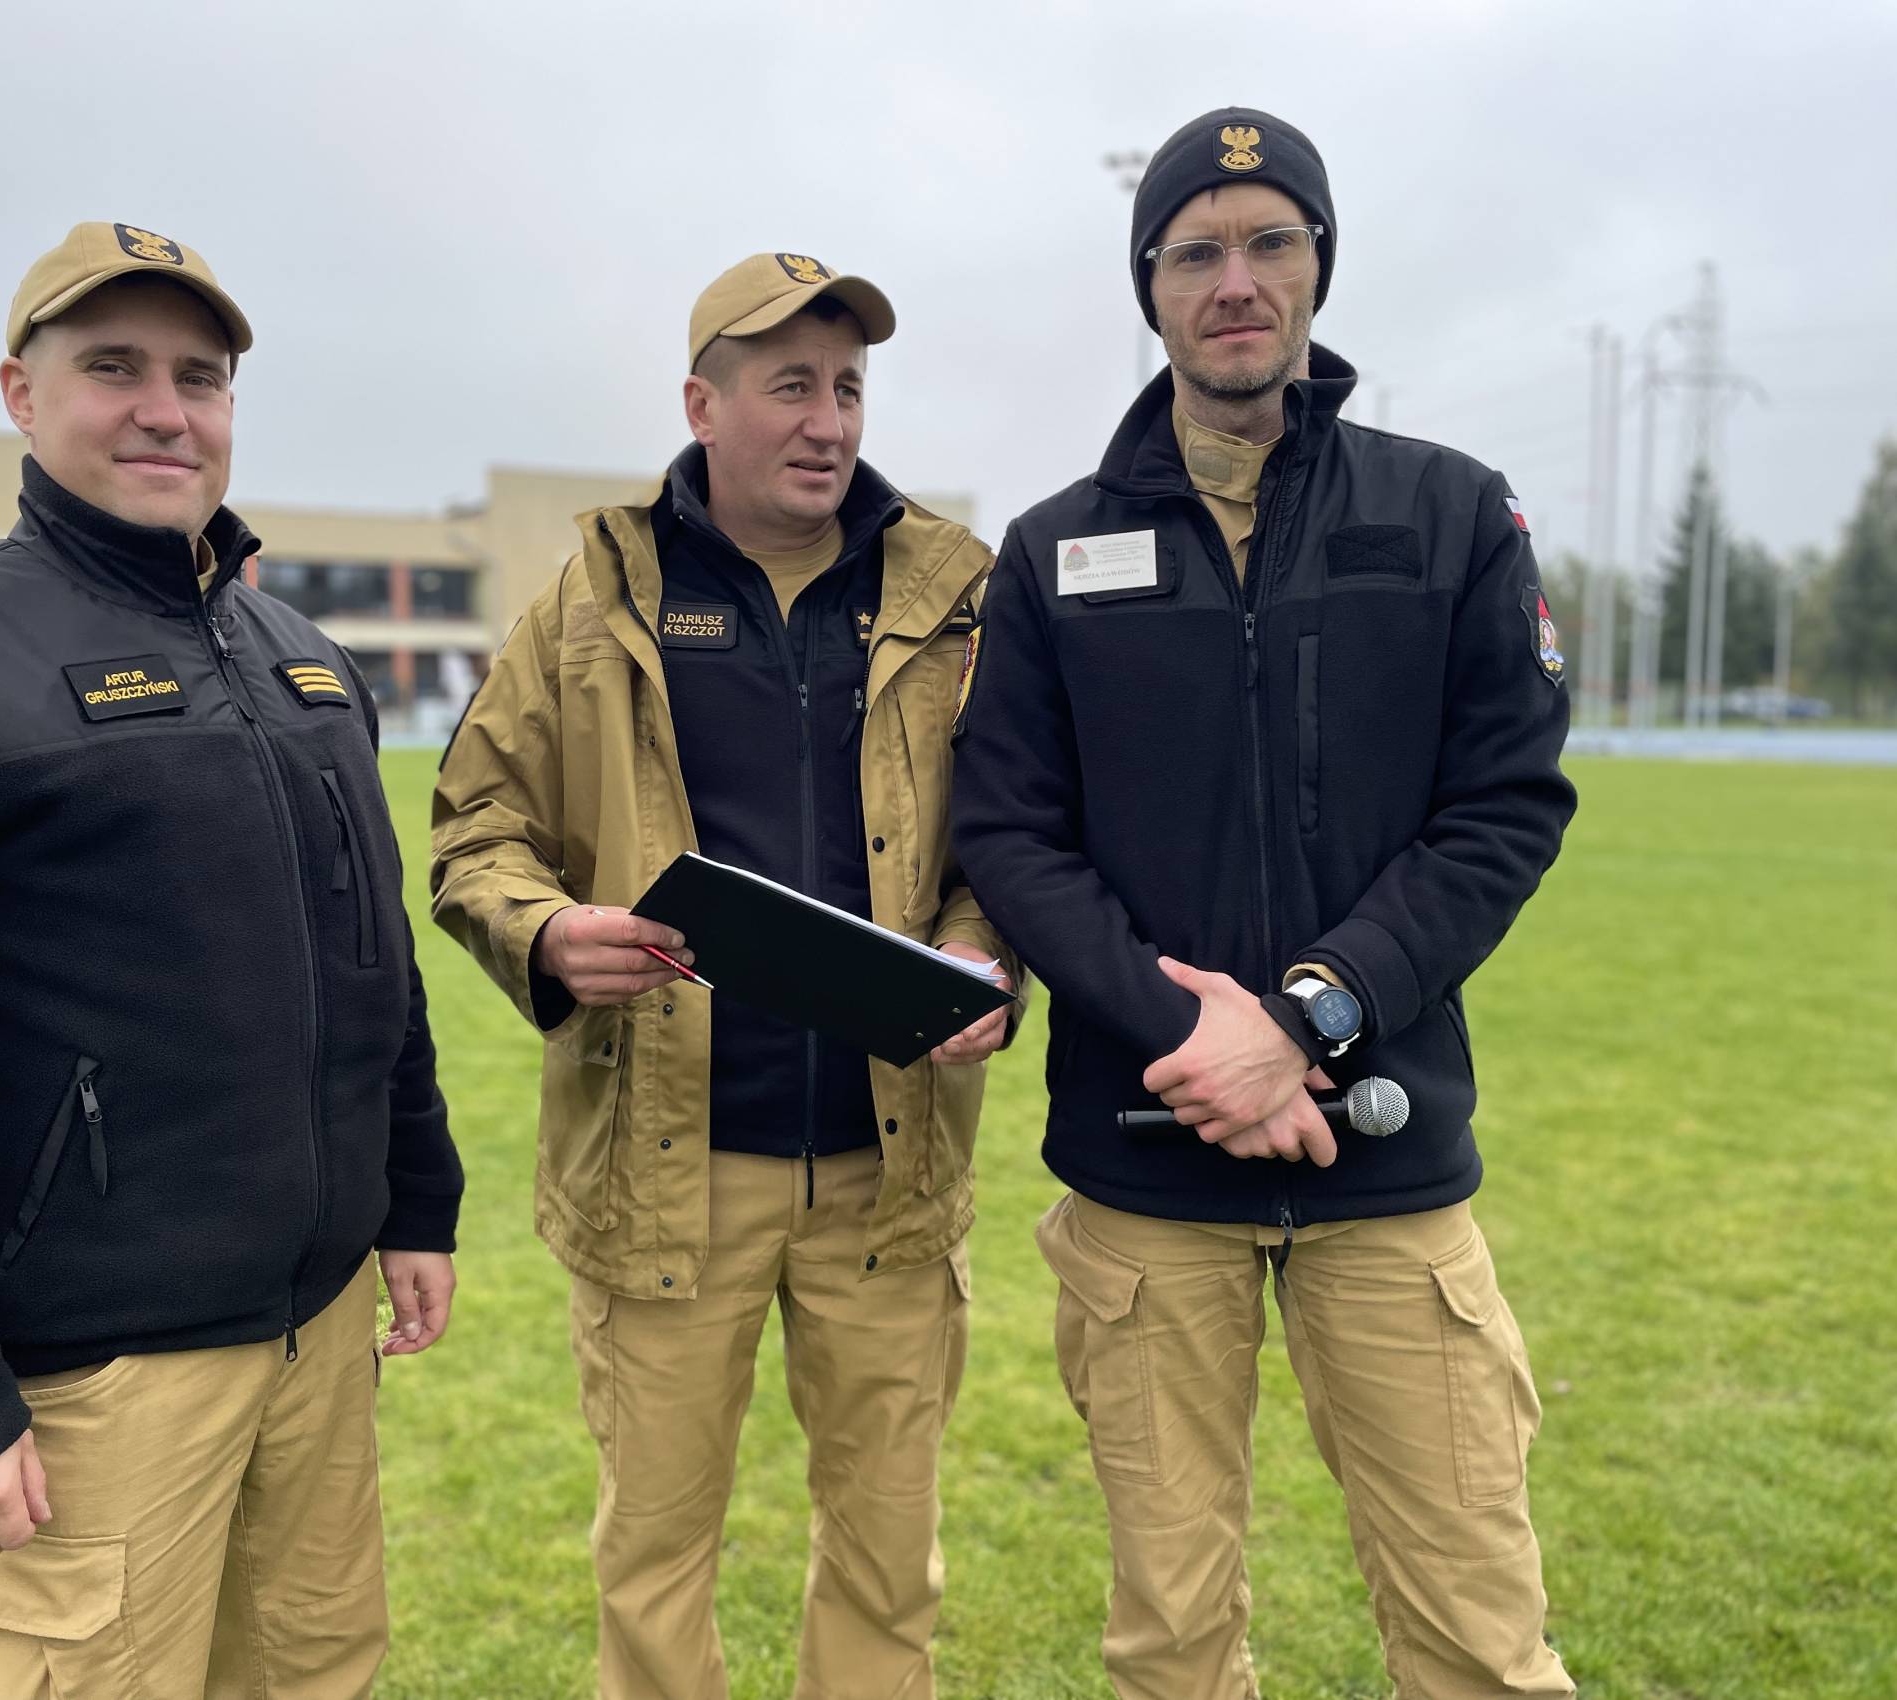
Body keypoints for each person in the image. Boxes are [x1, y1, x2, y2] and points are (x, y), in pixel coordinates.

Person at [0, 220, 463, 1698]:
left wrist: (416, 1194)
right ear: (21, 392)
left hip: (315, 1343)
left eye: (200, 377)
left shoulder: (303, 660)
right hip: (92, 1385)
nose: (164, 410)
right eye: (113, 368)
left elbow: (372, 959)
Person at [951, 110, 1577, 1698]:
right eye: (1195, 252)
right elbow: (1011, 833)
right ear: (1150, 286)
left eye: (1268, 242)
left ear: (1316, 265)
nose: (1234, 281)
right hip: (1144, 1178)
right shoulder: (1050, 553)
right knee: (1169, 1646)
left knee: (1477, 1639)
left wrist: (1303, 1020)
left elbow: (1502, 809)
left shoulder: (1447, 516)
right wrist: (1193, 1038)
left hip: (1383, 1163)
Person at [431, 250, 1018, 1700]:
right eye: (790, 387)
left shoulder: (953, 597)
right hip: (665, 1173)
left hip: (890, 1172)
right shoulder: (592, 601)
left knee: (888, 1560)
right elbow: (477, 830)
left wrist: (980, 947)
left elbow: (1009, 838)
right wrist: (544, 931)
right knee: (653, 1558)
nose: (828, 422)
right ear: (702, 405)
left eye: (849, 389)